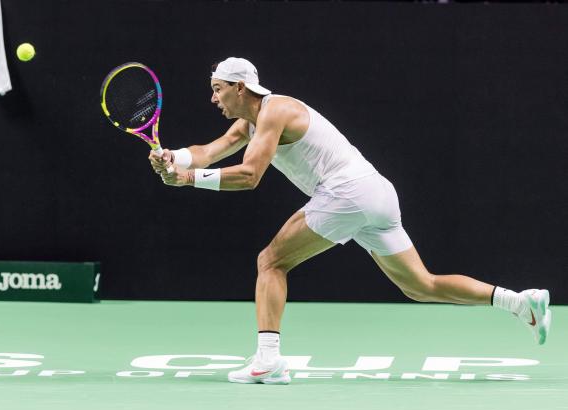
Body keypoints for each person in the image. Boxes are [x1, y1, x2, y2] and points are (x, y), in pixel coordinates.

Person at [148, 57, 552, 385]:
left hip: (348, 192)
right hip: (376, 194)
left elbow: (250, 175)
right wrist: (175, 158)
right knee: (420, 285)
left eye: (218, 88)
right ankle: (521, 303)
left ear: (241, 88)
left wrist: (188, 180)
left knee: (271, 261)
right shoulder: (251, 122)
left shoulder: (276, 111)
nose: (213, 97)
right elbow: (209, 150)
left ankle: (268, 360)